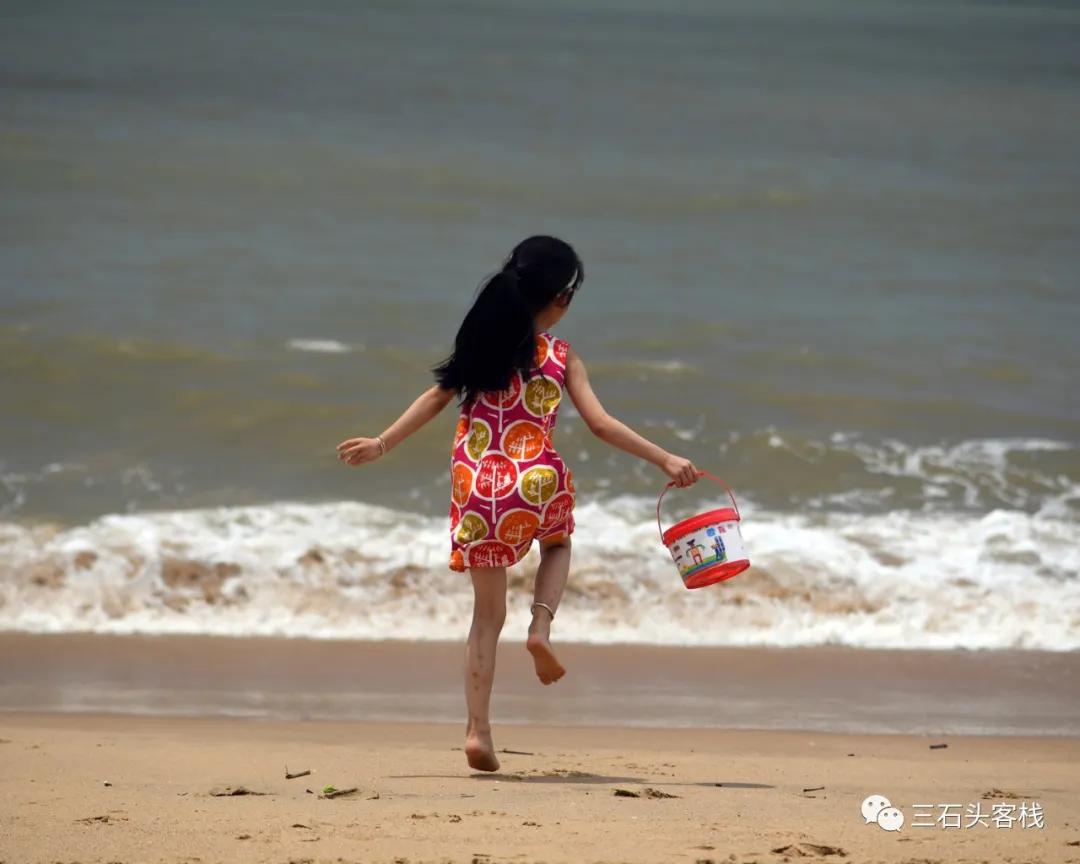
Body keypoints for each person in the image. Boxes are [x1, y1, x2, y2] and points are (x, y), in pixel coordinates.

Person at [336, 235, 699, 772]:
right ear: (560, 300)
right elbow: (601, 425)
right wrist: (665, 458)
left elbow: (435, 397)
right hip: (536, 482)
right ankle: (540, 628)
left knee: (486, 617)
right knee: (557, 545)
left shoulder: (481, 345)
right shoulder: (561, 356)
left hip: (479, 487)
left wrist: (382, 443)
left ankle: (478, 732)